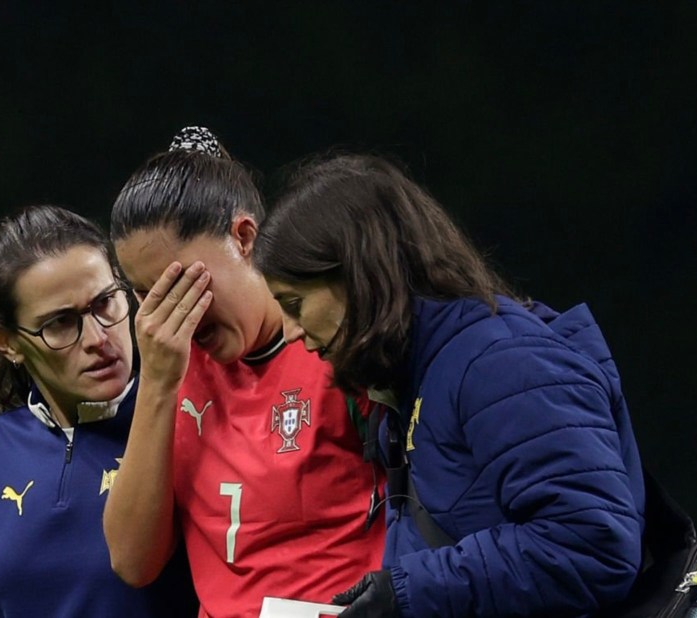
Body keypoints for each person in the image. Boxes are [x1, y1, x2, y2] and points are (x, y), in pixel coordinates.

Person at [254, 153, 647, 617]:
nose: (290, 331)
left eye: (295, 304)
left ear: (360, 274)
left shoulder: (502, 363)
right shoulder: (414, 379)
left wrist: (408, 592)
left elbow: (593, 546)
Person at [102, 127, 386, 618]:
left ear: (244, 238)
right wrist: (157, 385)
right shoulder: (170, 372)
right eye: (147, 295)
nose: (173, 313)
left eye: (182, 283)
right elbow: (132, 562)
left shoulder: (333, 340)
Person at [0, 204, 197, 617]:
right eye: (61, 323)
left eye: (105, 302)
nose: (98, 338)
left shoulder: (190, 423)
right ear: (6, 341)